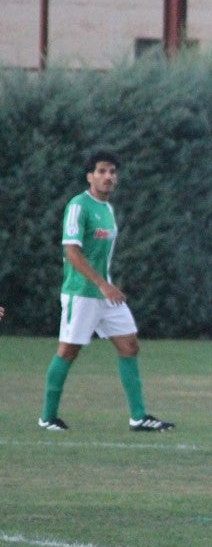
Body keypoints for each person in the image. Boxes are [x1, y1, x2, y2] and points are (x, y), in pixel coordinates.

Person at [39, 149, 175, 432]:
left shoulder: (107, 209)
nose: (108, 176)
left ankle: (138, 417)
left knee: (129, 345)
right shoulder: (79, 205)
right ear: (90, 176)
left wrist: (106, 285)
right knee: (67, 351)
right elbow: (72, 252)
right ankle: (47, 417)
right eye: (101, 171)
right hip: (82, 292)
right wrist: (102, 284)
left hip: (105, 294)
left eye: (112, 171)